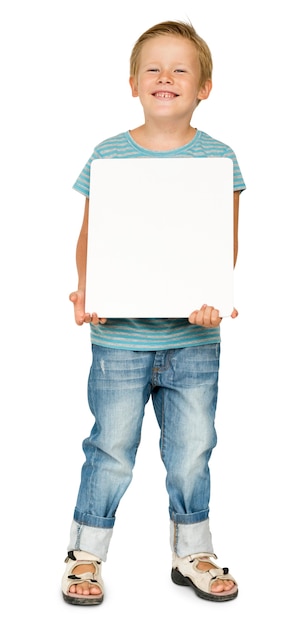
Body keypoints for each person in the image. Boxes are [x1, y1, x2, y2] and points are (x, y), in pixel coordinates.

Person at [62, 20, 246, 605]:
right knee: (111, 450)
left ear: (204, 88)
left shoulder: (219, 157)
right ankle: (85, 555)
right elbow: (90, 234)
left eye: (181, 69)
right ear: (133, 83)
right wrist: (85, 289)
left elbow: (224, 241)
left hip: (193, 340)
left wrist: (217, 295)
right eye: (153, 68)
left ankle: (192, 552)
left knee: (193, 449)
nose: (165, 77)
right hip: (118, 340)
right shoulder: (108, 153)